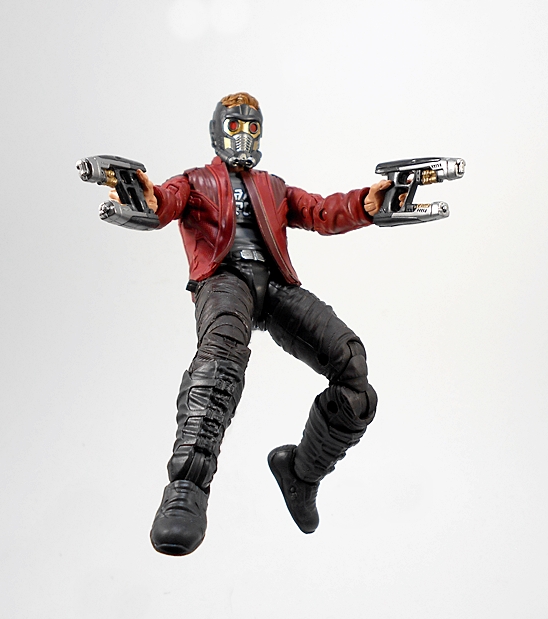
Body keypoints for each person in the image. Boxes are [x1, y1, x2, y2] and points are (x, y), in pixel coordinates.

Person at [110, 92, 391, 556]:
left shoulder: (273, 186)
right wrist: (144, 197)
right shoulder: (195, 181)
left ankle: (301, 475)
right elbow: (163, 203)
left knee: (353, 370)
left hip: (275, 285)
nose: (243, 135)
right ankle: (185, 491)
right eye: (234, 126)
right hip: (223, 281)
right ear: (217, 131)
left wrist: (367, 203)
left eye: (252, 127)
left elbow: (321, 211)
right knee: (220, 359)